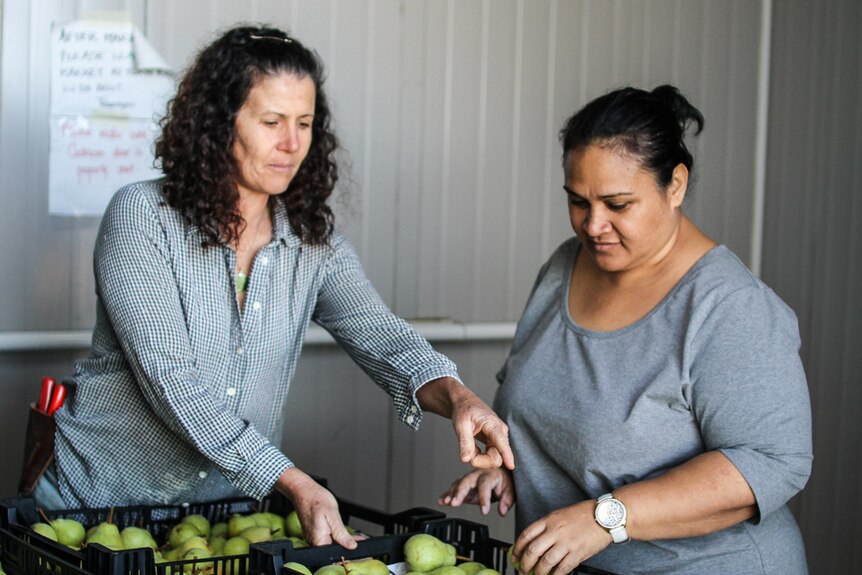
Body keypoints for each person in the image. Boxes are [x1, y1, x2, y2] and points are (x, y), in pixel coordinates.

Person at [36, 25, 513, 549]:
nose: (292, 144)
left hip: (224, 524)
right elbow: (172, 382)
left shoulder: (312, 242)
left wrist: (460, 397)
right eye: (271, 122)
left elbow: (383, 337)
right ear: (218, 125)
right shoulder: (142, 218)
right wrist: (290, 480)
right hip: (96, 512)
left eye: (305, 124)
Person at [439, 85, 812, 574]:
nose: (593, 226)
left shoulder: (731, 308)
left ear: (675, 185)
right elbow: (544, 407)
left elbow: (769, 465)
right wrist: (518, 469)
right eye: (578, 201)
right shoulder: (565, 267)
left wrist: (605, 519)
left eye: (618, 204)